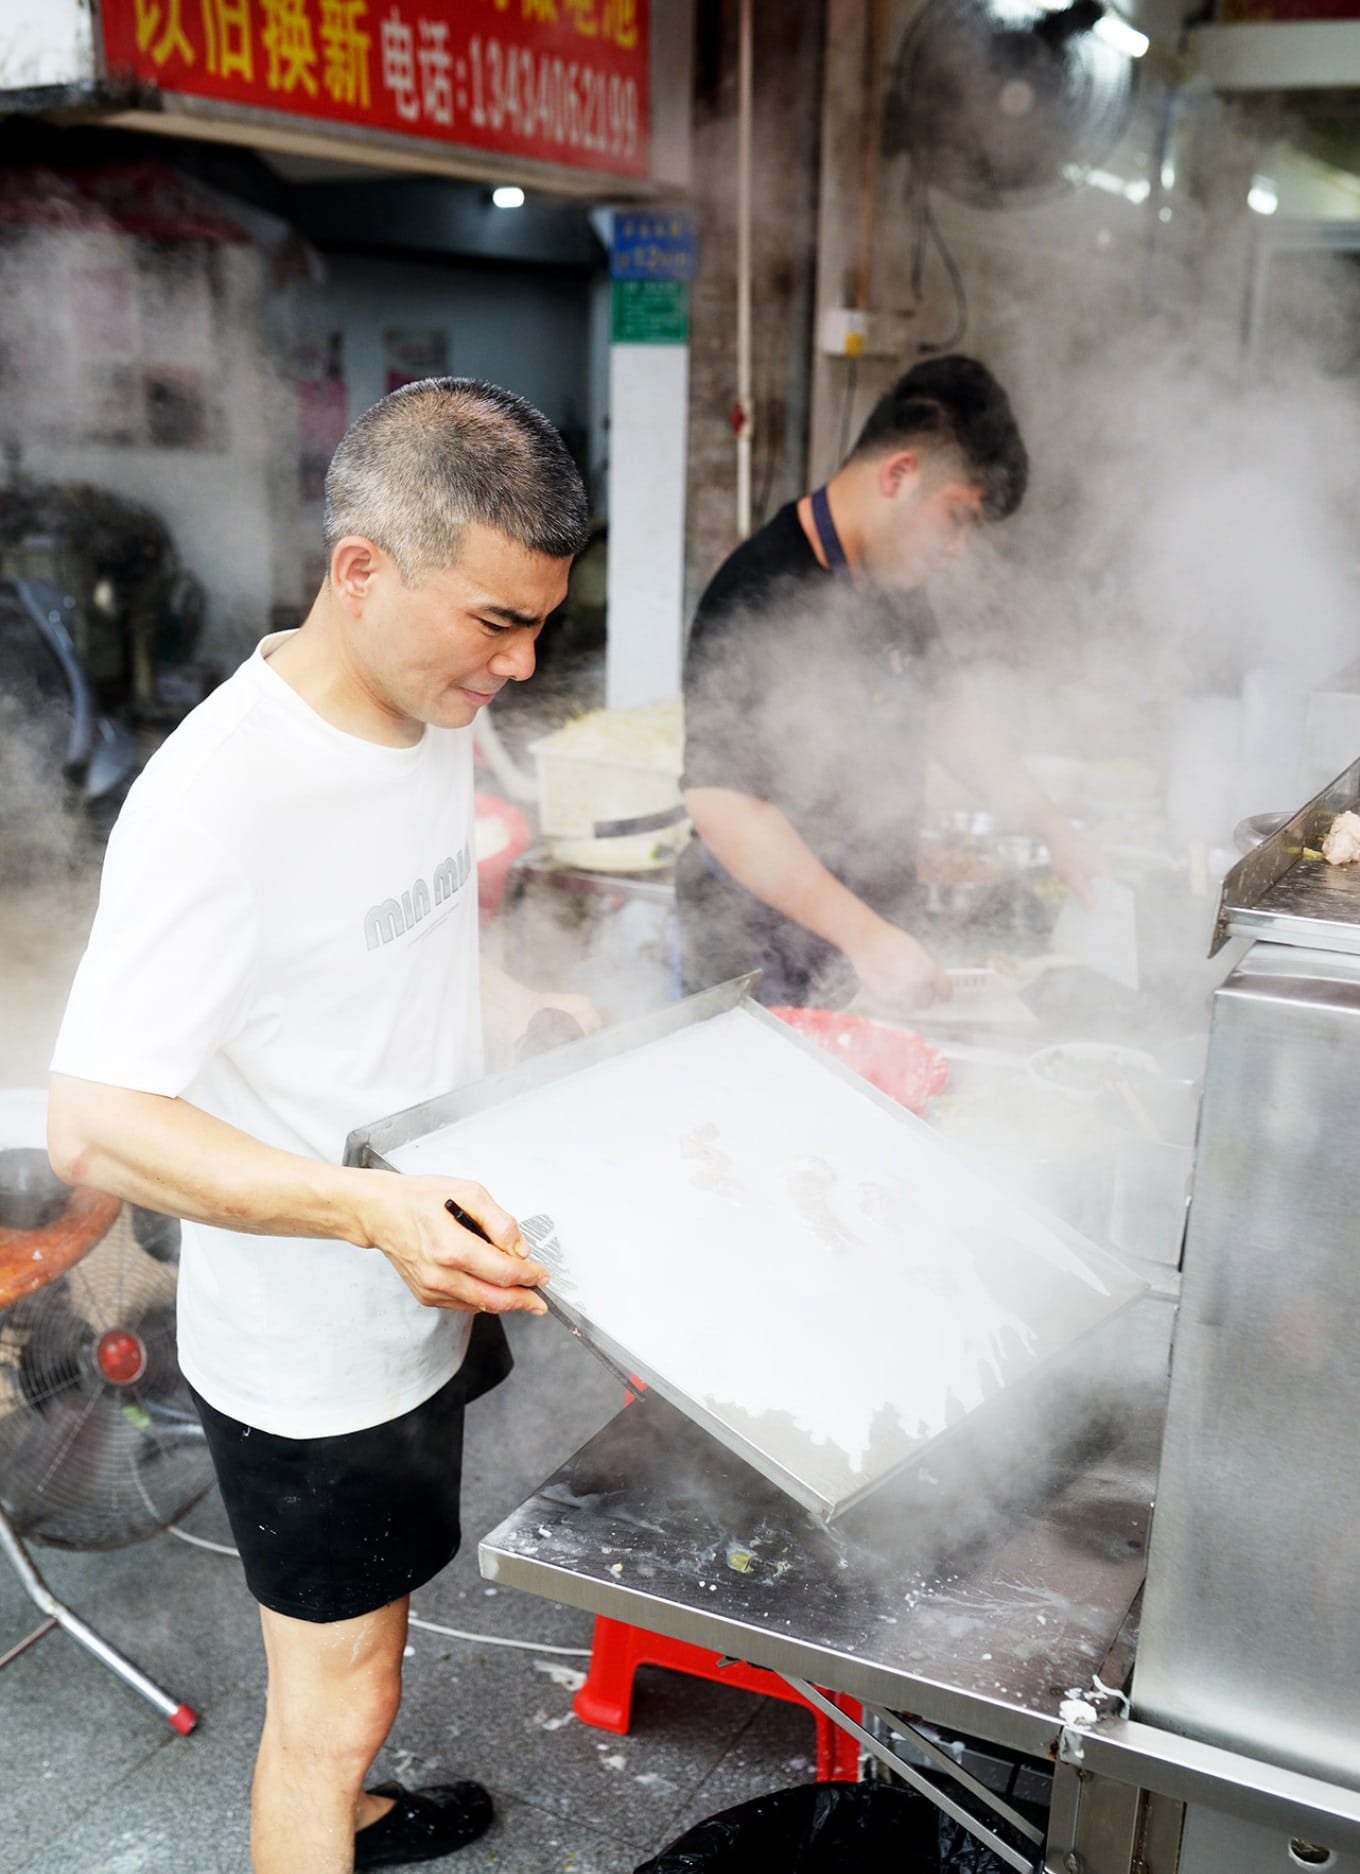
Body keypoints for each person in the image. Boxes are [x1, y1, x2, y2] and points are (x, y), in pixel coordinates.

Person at [46, 379, 598, 1874]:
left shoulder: (427, 707)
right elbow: (95, 1121)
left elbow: (380, 941)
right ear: (362, 570)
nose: (521, 663)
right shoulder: (217, 802)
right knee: (332, 1706)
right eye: (497, 622)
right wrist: (368, 1208)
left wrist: (519, 999)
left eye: (539, 623)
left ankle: (350, 1815)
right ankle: (324, 1815)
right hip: (311, 1348)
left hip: (411, 1287)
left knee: (376, 1640)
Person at [677, 354, 1095, 1011]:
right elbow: (722, 803)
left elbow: (947, 714)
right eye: (957, 517)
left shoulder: (891, 579)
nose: (959, 547)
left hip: (869, 950)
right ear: (899, 475)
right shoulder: (756, 592)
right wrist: (866, 937)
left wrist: (1053, 825)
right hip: (764, 963)